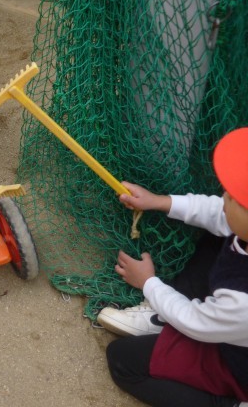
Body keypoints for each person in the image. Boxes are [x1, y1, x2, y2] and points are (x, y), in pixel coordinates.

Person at [97, 127, 248, 407]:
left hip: (237, 365)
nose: (224, 195)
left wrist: (148, 283)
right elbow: (218, 213)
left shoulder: (243, 303)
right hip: (231, 327)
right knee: (218, 235)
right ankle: (164, 318)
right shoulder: (239, 225)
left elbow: (195, 322)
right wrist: (159, 201)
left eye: (235, 198)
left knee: (123, 360)